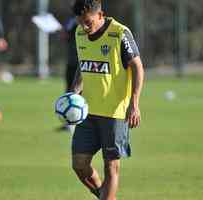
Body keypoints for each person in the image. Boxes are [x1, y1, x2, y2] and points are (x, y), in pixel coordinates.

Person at [70, 0, 144, 199]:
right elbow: (83, 65)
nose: (84, 27)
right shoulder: (79, 33)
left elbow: (137, 67)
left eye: (88, 22)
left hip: (115, 113)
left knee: (111, 166)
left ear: (100, 15)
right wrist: (74, 92)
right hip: (88, 112)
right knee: (79, 163)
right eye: (80, 23)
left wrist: (134, 104)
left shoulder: (119, 33)